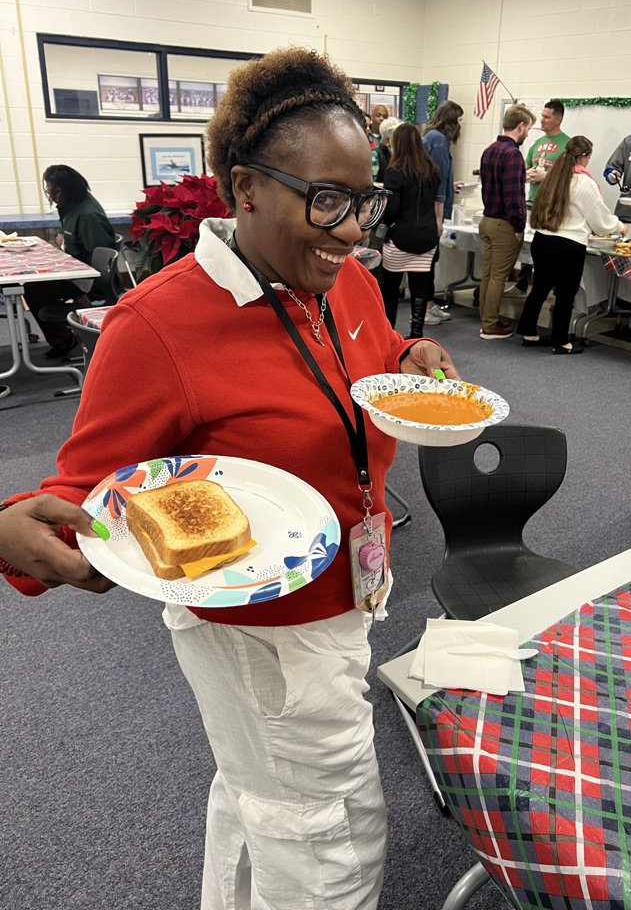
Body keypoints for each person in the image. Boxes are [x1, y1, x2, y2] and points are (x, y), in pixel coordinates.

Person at [0, 46, 459, 910]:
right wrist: (14, 533)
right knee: (330, 831)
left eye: (365, 200)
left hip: (348, 589)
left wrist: (411, 353)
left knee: (265, 795)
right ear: (244, 189)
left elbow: (366, 363)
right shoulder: (158, 326)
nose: (356, 228)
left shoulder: (345, 282)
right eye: (326, 199)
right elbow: (78, 496)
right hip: (263, 633)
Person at [517, 136, 626, 354]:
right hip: (568, 245)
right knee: (566, 295)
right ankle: (560, 342)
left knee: (539, 289)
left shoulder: (552, 177)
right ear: (584, 157)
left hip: (542, 239)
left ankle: (528, 332)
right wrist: (618, 226)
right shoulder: (584, 182)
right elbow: (599, 220)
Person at [24, 165, 116, 358]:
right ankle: (64, 337)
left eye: (53, 191)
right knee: (33, 286)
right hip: (76, 272)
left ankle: (64, 339)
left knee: (35, 292)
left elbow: (101, 262)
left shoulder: (88, 215)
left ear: (67, 189)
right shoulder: (71, 206)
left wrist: (90, 293)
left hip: (87, 280)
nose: (51, 196)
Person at [477, 103, 536, 339]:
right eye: (529, 128)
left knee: (488, 274)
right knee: (499, 276)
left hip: (487, 219)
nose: (528, 134)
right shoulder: (513, 155)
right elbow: (513, 197)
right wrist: (519, 226)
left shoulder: (489, 149)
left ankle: (487, 319)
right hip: (504, 224)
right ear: (520, 126)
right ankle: (490, 324)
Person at [379, 123, 440, 337]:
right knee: (420, 290)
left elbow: (392, 208)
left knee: (391, 290)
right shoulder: (432, 170)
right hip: (427, 238)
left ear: (397, 143)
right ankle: (416, 334)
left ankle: (388, 333)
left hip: (400, 238)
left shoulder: (394, 172)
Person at [508, 99, 570, 297]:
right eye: (542, 116)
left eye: (546, 117)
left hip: (551, 206)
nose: (541, 121)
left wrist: (547, 177)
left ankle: (551, 288)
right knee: (527, 246)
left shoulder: (567, 145)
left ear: (558, 119)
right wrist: (525, 175)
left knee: (548, 251)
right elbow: (524, 169)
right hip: (530, 203)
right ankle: (521, 283)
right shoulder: (537, 143)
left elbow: (571, 176)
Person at [423, 100, 464, 327]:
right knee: (429, 261)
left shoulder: (432, 137)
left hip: (430, 209)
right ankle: (427, 307)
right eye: (459, 121)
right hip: (432, 212)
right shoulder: (438, 141)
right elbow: (437, 184)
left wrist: (452, 185)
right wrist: (439, 219)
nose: (460, 126)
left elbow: (439, 180)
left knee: (430, 261)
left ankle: (429, 304)